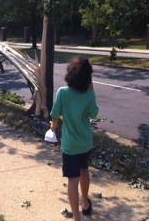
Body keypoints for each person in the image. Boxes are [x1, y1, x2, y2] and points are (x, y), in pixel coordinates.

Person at [50, 57, 99, 221]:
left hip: (70, 145)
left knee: (73, 179)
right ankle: (85, 204)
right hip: (85, 143)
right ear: (87, 79)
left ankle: (76, 217)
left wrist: (53, 128)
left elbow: (55, 114)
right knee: (84, 170)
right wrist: (91, 90)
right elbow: (94, 114)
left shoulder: (63, 93)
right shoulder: (89, 95)